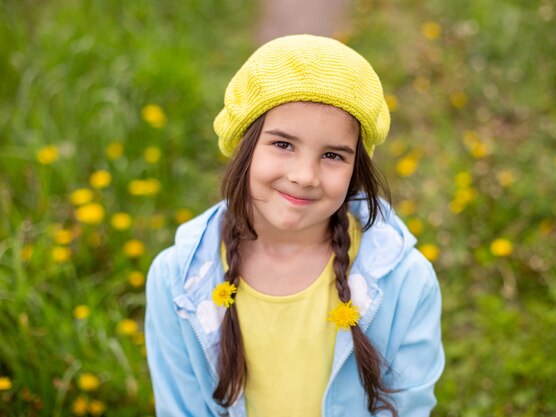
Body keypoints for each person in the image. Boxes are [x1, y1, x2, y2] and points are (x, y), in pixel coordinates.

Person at [145, 34, 444, 417]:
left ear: (356, 171)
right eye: (283, 144)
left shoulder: (406, 282)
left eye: (333, 155)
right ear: (243, 144)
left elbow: (407, 407)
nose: (305, 175)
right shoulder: (176, 280)